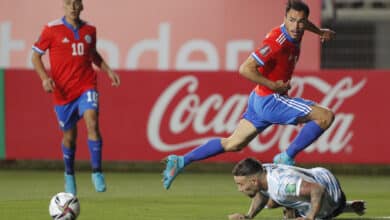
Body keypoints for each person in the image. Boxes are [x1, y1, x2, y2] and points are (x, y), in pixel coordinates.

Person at [162, 0, 336, 190]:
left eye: (300, 21)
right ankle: (286, 157)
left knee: (233, 143)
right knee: (325, 116)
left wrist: (319, 31)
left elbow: (304, 25)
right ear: (284, 18)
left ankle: (181, 161)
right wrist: (273, 86)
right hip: (272, 99)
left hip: (259, 99)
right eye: (292, 20)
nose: (296, 26)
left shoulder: (297, 30)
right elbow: (245, 69)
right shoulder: (277, 42)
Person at [31, 0, 120, 195]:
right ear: (63, 6)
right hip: (63, 93)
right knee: (69, 138)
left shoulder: (90, 30)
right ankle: (69, 175)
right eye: (68, 3)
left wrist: (108, 71)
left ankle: (97, 171)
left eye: (76, 3)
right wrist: (45, 78)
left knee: (92, 121)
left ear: (82, 6)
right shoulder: (51, 29)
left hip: (86, 86)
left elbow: (93, 54)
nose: (72, 7)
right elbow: (35, 56)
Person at [228, 158, 366, 220]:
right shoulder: (263, 172)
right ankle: (348, 207)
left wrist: (310, 217)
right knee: (273, 203)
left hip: (332, 196)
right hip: (320, 174)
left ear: (253, 180)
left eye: (240, 184)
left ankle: (340, 208)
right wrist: (249, 216)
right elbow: (262, 192)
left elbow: (318, 190)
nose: (239, 189)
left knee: (277, 203)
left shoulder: (281, 186)